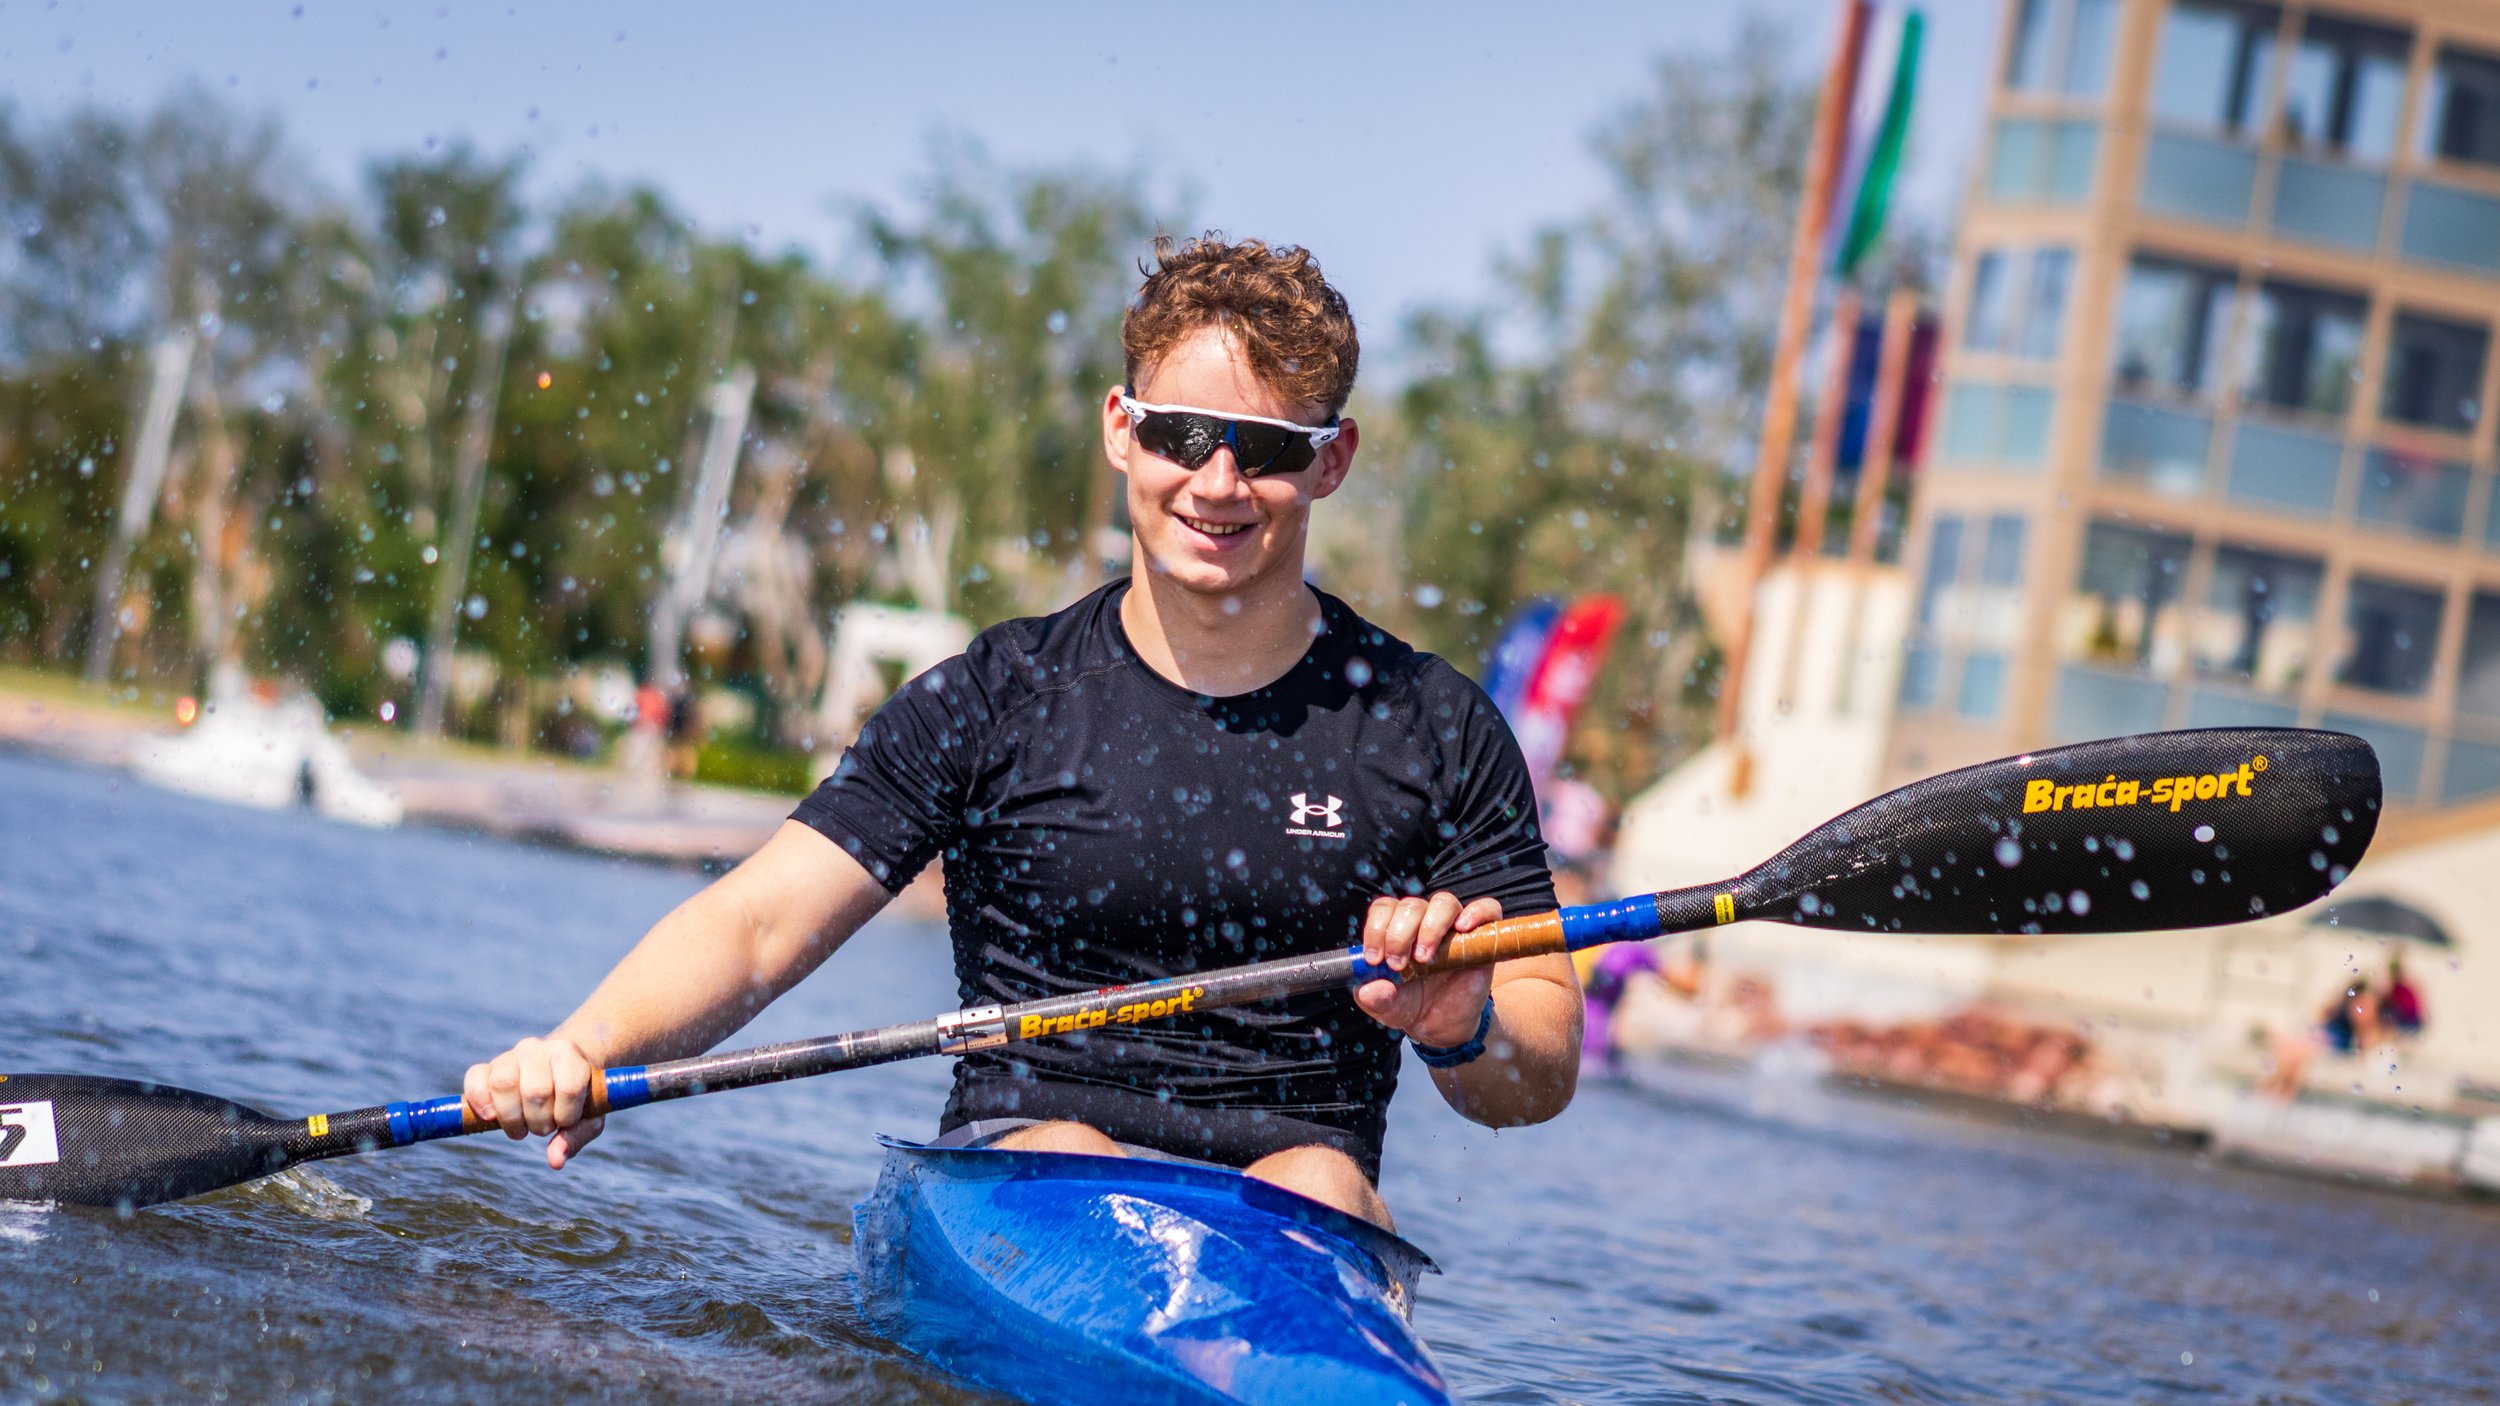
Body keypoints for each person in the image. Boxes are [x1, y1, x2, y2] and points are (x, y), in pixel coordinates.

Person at [464, 235, 1583, 1228]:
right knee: (1066, 1155)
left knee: (1317, 1181)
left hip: (1300, 1217)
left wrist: (1461, 1026)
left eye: (1268, 446)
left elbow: (1543, 1070)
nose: (1219, 479)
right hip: (1022, 1177)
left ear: (1329, 461)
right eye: (1182, 434)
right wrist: (584, 1049)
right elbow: (759, 922)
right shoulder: (994, 698)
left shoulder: (1432, 727)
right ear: (1119, 429)